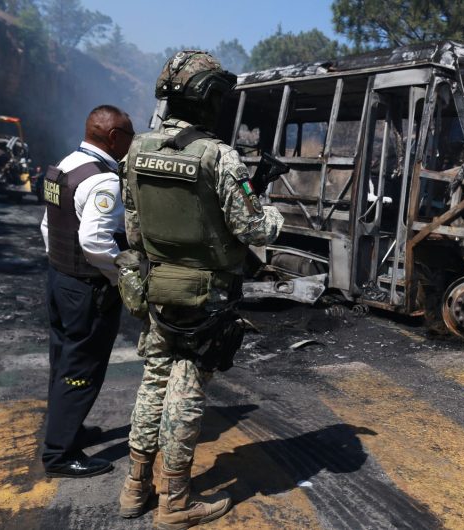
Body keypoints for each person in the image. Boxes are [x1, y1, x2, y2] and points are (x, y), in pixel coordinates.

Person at [117, 50, 283, 528]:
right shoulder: (218, 155)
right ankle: (174, 501)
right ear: (208, 99)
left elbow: (132, 228)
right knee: (186, 389)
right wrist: (268, 207)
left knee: (152, 381)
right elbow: (256, 229)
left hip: (156, 287)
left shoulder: (137, 149)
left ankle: (135, 487)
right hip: (204, 297)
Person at [40, 105, 135, 477]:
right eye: (128, 134)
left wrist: (61, 266)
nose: (131, 141)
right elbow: (96, 241)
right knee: (82, 369)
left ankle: (66, 429)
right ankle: (60, 454)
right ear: (114, 138)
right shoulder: (104, 181)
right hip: (86, 289)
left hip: (60, 279)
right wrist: (120, 276)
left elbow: (49, 226)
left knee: (63, 360)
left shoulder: (64, 165)